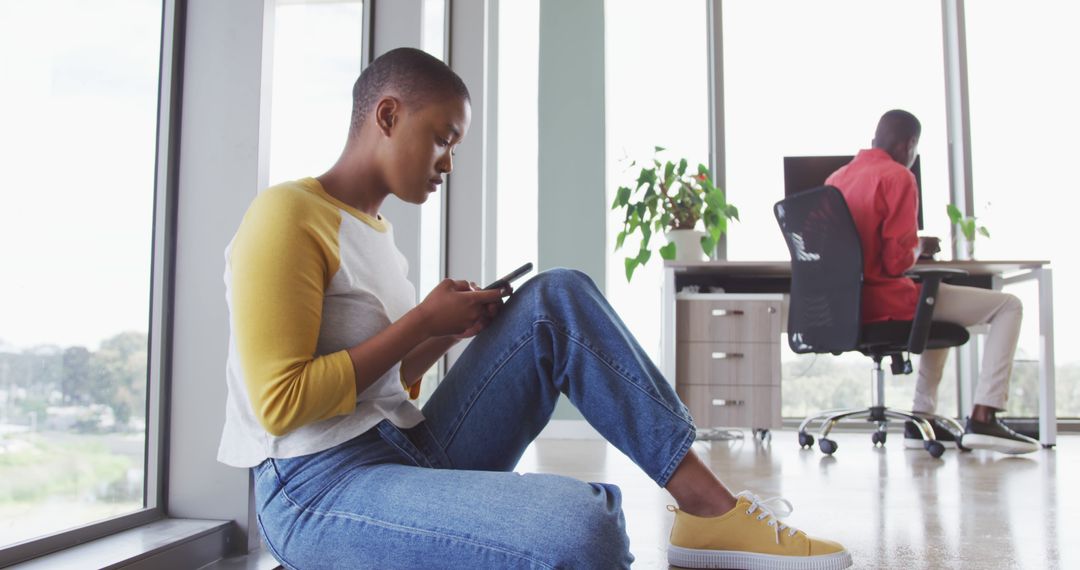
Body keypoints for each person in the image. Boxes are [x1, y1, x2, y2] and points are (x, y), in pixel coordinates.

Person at [217, 46, 851, 569]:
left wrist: (448, 332)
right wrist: (421, 323)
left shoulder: (377, 234)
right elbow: (282, 401)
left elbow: (382, 385)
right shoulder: (287, 215)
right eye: (442, 139)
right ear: (387, 115)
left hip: (406, 448)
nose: (449, 163)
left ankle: (708, 511)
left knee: (555, 296)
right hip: (316, 488)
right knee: (583, 534)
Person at [825, 109, 1039, 455]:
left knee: (932, 301)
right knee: (1008, 306)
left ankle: (920, 419)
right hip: (888, 302)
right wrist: (918, 246)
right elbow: (895, 263)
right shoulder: (898, 177)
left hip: (850, 306)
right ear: (909, 144)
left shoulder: (836, 179)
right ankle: (985, 415)